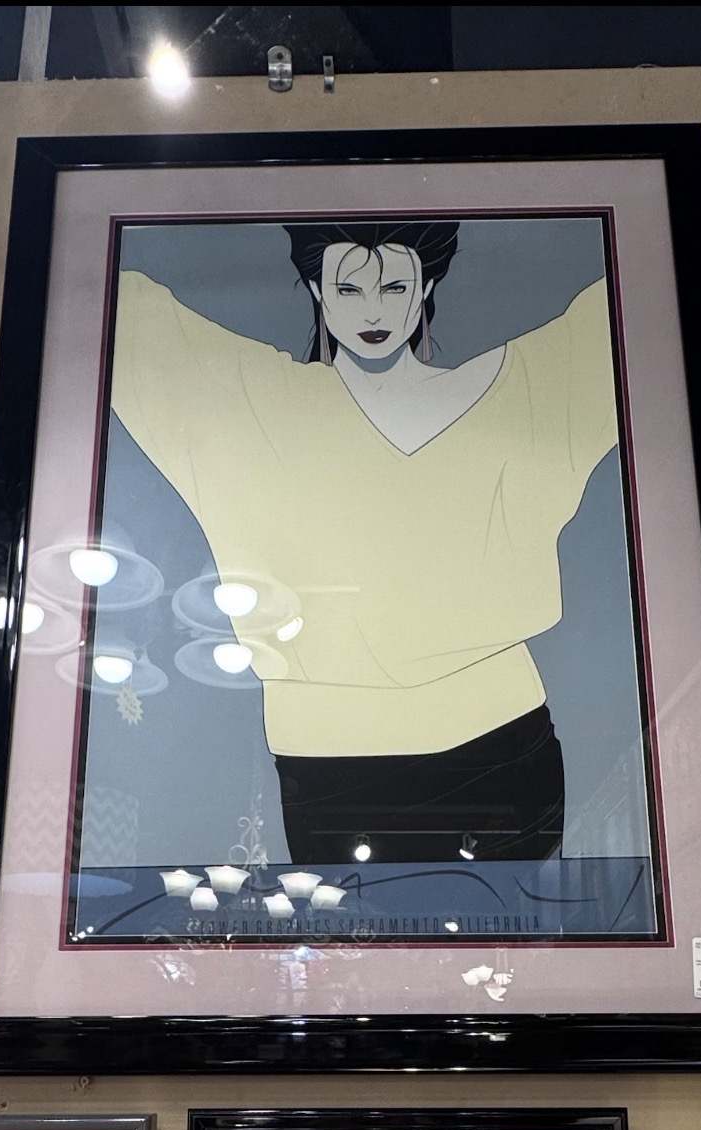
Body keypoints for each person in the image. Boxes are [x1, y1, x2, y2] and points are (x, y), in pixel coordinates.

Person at [111, 221, 618, 865]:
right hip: (326, 762)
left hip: (500, 738)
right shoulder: (260, 402)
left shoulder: (511, 391)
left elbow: (628, 304)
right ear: (316, 291)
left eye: (395, 287)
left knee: (502, 928)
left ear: (426, 287)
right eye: (348, 289)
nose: (373, 312)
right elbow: (118, 307)